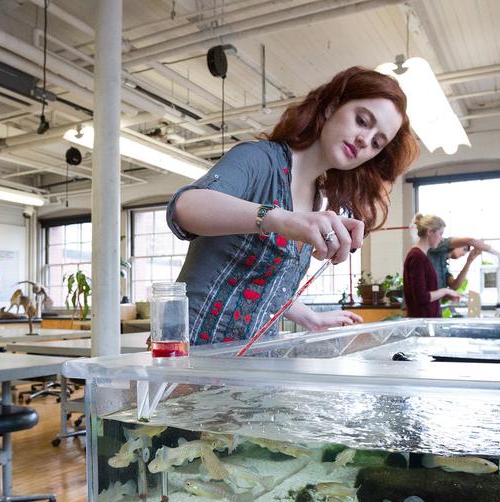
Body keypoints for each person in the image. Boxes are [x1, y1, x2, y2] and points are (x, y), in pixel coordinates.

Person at [167, 67, 420, 345]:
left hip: (249, 364)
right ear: (332, 106)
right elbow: (185, 207)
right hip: (190, 355)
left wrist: (309, 317)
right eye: (361, 120)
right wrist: (280, 219)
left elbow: (265, 285)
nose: (364, 141)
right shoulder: (259, 160)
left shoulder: (315, 198)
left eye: (376, 143)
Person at [403, 214, 463, 318]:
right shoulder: (417, 257)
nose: (442, 239)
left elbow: (425, 293)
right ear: (430, 231)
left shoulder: (422, 256)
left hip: (427, 319)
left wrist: (444, 294)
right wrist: (445, 290)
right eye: (440, 233)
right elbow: (421, 297)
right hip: (422, 321)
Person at [428, 233, 500, 292]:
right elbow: (470, 241)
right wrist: (499, 255)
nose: (464, 254)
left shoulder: (444, 266)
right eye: (464, 249)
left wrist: (469, 261)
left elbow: (454, 285)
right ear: (456, 244)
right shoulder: (438, 246)